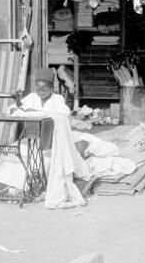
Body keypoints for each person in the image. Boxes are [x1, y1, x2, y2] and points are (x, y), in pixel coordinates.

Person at [7, 68, 89, 208]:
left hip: (51, 142)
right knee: (12, 153)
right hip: (33, 138)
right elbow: (11, 109)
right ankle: (19, 187)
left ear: (51, 87)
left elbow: (64, 113)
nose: (41, 91)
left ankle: (36, 187)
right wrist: (15, 109)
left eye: (45, 88)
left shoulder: (58, 99)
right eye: (38, 88)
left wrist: (36, 112)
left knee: (45, 159)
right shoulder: (31, 97)